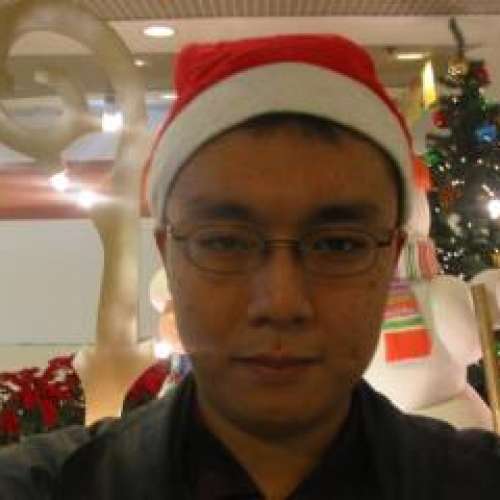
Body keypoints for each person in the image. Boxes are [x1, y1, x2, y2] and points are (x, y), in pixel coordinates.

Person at [1, 33, 499, 500]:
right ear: (168, 257)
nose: (281, 302)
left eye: (338, 244)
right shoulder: (48, 485)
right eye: (224, 242)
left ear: (391, 259)